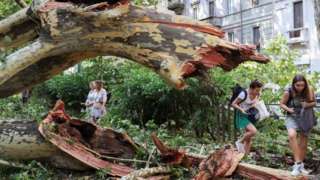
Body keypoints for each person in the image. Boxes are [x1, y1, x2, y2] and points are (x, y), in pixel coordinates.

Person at [280, 75, 316, 176]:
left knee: (303, 142)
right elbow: (281, 104)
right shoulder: (288, 92)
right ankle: (297, 164)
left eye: (302, 85)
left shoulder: (310, 89)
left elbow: (314, 103)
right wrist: (288, 109)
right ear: (293, 84)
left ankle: (300, 166)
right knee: (292, 135)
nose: (300, 87)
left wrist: (307, 105)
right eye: (298, 85)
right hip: (292, 116)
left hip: (306, 117)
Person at [231, 80, 263, 154]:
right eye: (257, 90)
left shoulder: (258, 94)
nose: (258, 92)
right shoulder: (243, 94)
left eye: (259, 90)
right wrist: (241, 109)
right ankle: (240, 142)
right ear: (251, 88)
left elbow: (256, 100)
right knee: (253, 131)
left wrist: (255, 103)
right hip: (242, 114)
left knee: (249, 138)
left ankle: (245, 155)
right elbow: (233, 104)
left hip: (250, 114)